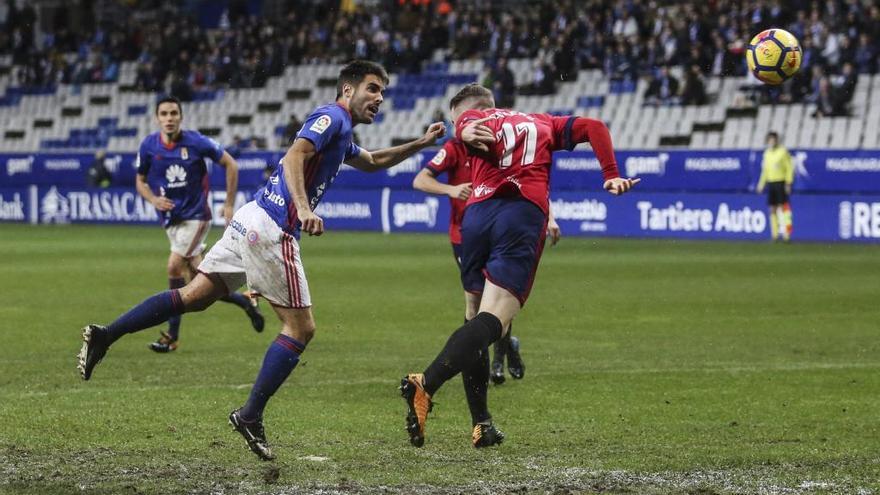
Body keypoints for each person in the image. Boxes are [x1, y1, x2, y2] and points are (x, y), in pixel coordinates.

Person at [78, 60, 446, 461]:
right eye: (372, 89)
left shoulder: (342, 134)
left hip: (251, 216)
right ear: (347, 90)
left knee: (194, 295)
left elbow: (373, 161)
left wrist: (419, 144)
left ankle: (106, 334)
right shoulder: (332, 117)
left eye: (383, 92)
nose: (379, 98)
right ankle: (250, 414)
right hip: (272, 228)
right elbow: (294, 156)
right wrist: (303, 208)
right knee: (300, 328)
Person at [399, 84, 639, 449]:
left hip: (476, 219)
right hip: (520, 214)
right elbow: (594, 127)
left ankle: (482, 424)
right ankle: (426, 383)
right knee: (494, 323)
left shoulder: (474, 119)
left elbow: (467, 125)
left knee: (474, 319)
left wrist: (463, 129)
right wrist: (609, 172)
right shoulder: (542, 122)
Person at [413, 134, 562, 385]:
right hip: (466, 236)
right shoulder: (454, 148)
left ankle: (497, 362)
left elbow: (531, 184)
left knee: (501, 300)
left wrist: (550, 217)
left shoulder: (508, 143)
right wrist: (451, 189)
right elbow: (420, 180)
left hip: (503, 232)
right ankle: (491, 355)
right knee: (476, 307)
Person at [134, 96, 265, 353]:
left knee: (173, 266)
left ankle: (171, 337)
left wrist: (228, 205)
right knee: (199, 281)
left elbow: (231, 164)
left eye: (174, 113)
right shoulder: (148, 145)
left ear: (181, 117)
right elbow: (140, 180)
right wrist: (153, 199)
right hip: (172, 221)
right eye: (164, 114)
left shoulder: (196, 142)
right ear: (157, 118)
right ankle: (246, 303)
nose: (169, 118)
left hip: (196, 217)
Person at [756, 131, 794, 242]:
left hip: (781, 182)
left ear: (777, 140)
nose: (771, 142)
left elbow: (789, 167)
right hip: (771, 183)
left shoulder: (783, 152)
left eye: (773, 139)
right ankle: (775, 235)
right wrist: (761, 184)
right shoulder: (767, 153)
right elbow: (765, 171)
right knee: (772, 209)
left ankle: (787, 234)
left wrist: (788, 182)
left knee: (784, 208)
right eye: (770, 140)